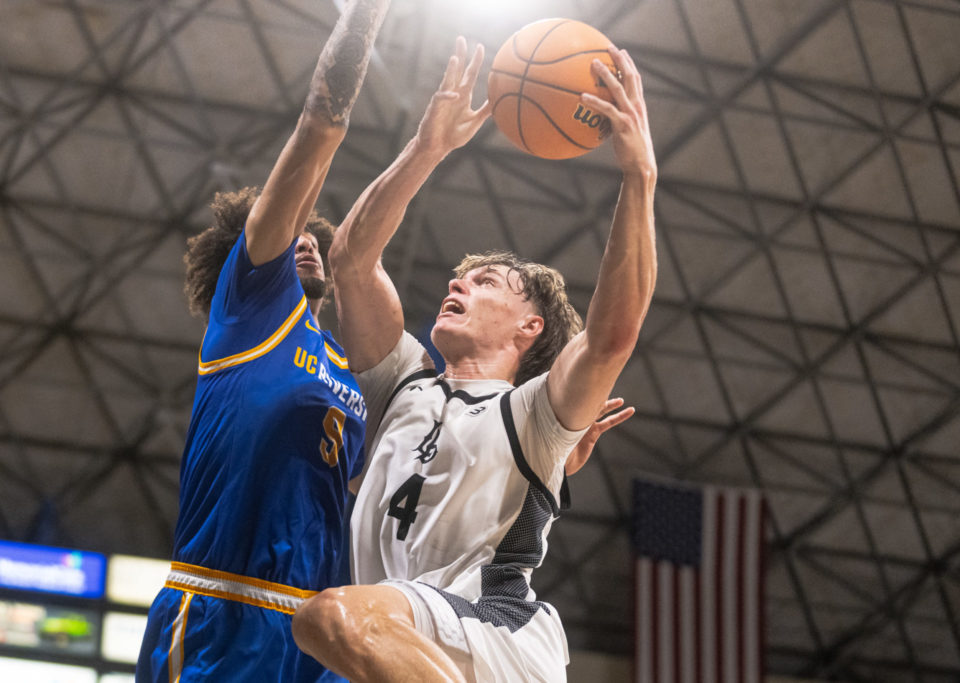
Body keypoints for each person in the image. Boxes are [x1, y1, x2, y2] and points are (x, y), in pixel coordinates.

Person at [292, 36, 657, 682]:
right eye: (461, 279)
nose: (459, 284)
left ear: (530, 326)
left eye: (487, 280)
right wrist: (427, 147)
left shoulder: (536, 415)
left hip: (489, 635)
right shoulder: (402, 383)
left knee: (330, 619)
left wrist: (639, 177)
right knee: (339, 627)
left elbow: (612, 337)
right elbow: (351, 260)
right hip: (407, 648)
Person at [136, 1, 389, 681]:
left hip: (313, 630)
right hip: (223, 607)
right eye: (295, 232)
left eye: (317, 235)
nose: (307, 235)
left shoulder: (346, 368)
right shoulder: (250, 306)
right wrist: (365, 18)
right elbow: (318, 125)